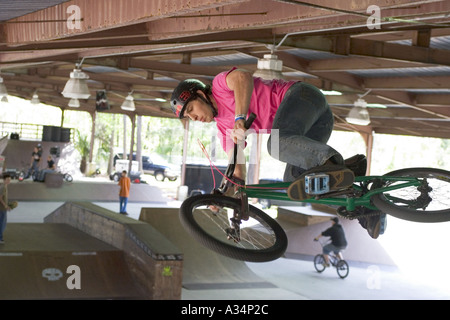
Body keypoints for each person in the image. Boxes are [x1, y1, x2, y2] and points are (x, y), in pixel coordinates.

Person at [170, 67, 382, 238]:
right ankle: (364, 204)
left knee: (277, 144)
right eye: (188, 117)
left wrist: (239, 117)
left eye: (191, 110)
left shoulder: (219, 86)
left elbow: (243, 77)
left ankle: (333, 161)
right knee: (294, 181)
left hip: (303, 97)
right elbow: (237, 172)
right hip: (316, 123)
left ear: (200, 94)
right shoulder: (223, 129)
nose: (194, 117)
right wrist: (224, 197)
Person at [0, 173, 17, 244]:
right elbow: (0, 198)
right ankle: (0, 238)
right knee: (2, 224)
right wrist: (6, 206)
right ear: (4, 180)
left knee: (2, 223)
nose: (9, 181)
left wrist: (8, 204)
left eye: (10, 179)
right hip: (1, 209)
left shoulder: (5, 186)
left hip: (3, 208)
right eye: (7, 179)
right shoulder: (3, 187)